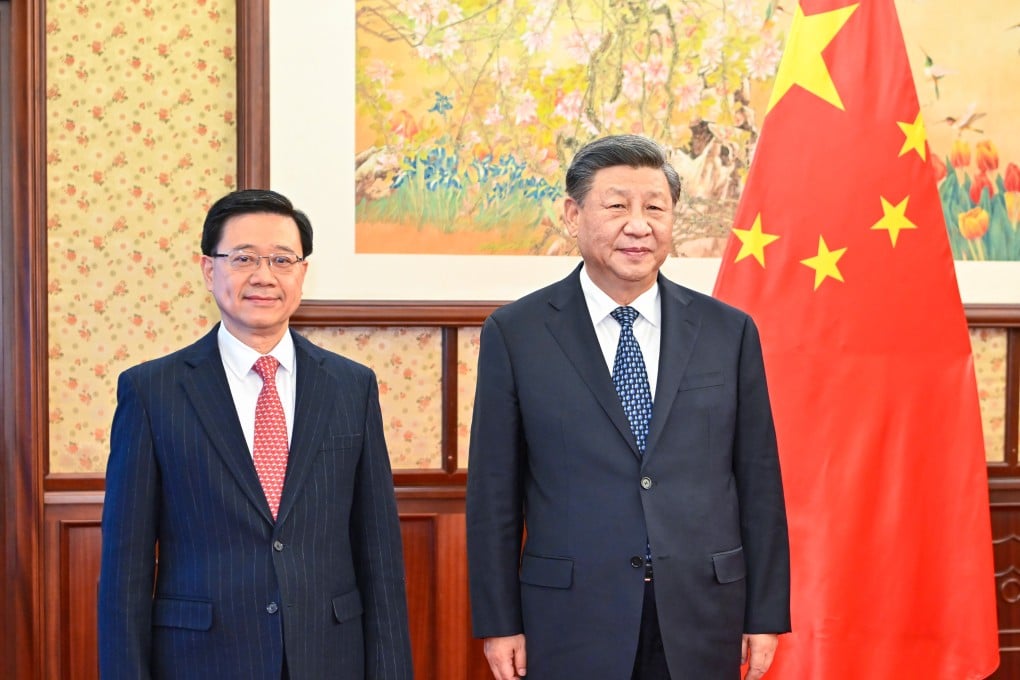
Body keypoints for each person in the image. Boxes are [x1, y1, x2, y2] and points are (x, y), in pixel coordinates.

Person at [465, 135, 790, 680]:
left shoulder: (727, 332)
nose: (638, 226)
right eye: (617, 206)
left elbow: (759, 483)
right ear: (573, 215)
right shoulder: (517, 333)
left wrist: (764, 614)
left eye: (655, 208)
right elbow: (494, 494)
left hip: (703, 613)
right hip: (570, 617)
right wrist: (500, 622)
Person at [98, 189, 413, 679]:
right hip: (201, 661)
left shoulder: (352, 386)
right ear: (209, 270)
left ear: (302, 273)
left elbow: (380, 555)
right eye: (244, 258)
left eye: (282, 260)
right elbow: (125, 572)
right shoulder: (152, 391)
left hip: (329, 658)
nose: (264, 276)